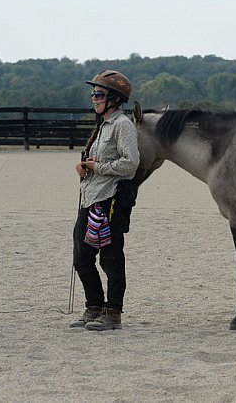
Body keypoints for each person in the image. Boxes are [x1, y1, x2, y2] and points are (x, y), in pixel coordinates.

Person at [70, 70, 139, 331]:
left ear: (114, 99)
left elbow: (131, 164)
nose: (94, 98)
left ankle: (113, 313)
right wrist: (84, 167)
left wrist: (98, 168)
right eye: (93, 94)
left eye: (98, 94)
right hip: (90, 198)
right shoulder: (101, 125)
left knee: (110, 259)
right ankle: (94, 306)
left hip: (110, 201)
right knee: (82, 257)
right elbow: (99, 160)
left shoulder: (123, 125)